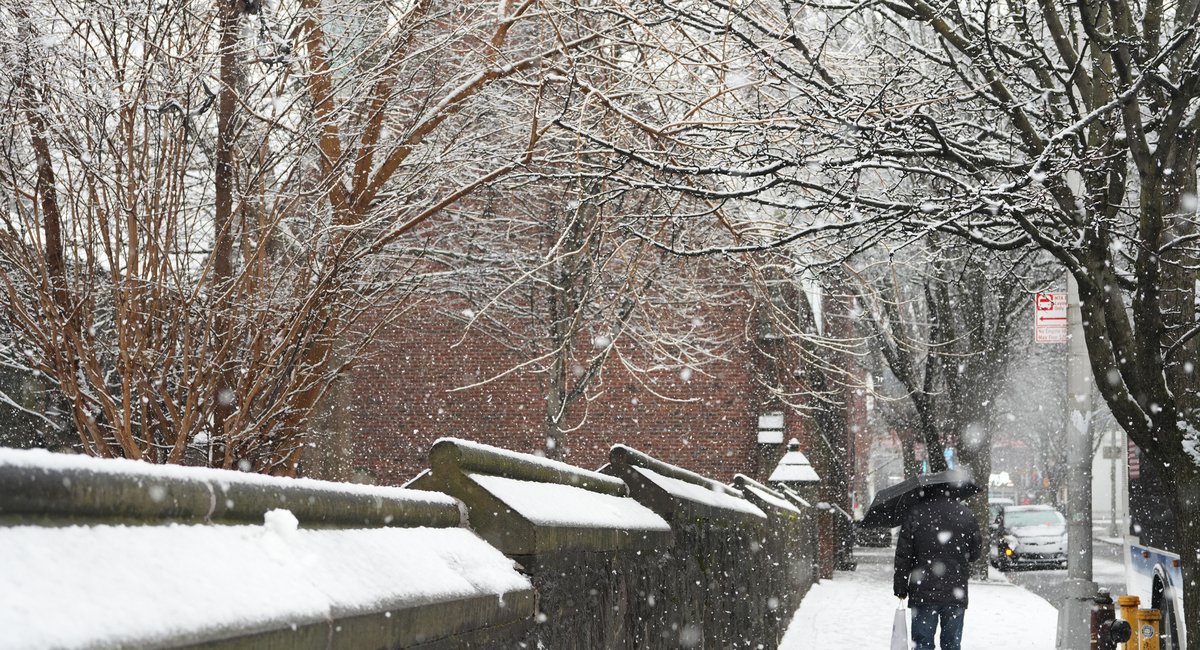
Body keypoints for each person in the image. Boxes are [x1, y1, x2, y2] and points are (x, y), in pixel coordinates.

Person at [893, 488, 982, 650]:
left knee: (922, 644)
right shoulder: (966, 515)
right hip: (955, 591)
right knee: (951, 645)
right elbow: (975, 554)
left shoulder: (915, 514)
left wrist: (900, 586)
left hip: (923, 591)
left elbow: (903, 555)